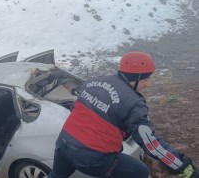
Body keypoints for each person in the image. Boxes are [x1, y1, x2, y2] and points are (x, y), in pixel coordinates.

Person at [48, 51, 199, 178]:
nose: (148, 84)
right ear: (136, 78)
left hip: (63, 144)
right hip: (92, 159)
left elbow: (78, 109)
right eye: (146, 79)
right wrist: (183, 167)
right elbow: (151, 144)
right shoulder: (134, 104)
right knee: (141, 172)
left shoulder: (93, 82)